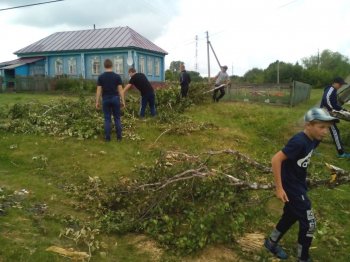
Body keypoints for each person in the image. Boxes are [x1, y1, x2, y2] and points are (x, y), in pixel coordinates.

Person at [264, 108, 339, 262]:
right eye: (321, 127)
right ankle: (303, 258)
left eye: (328, 128)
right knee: (309, 223)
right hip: (291, 187)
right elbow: (276, 159)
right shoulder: (298, 141)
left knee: (291, 215)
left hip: (299, 184)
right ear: (308, 125)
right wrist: (279, 188)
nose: (325, 132)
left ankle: (271, 243)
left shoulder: (315, 140)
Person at [320, 76, 350, 158]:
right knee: (335, 132)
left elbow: (334, 104)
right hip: (326, 113)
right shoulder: (331, 89)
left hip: (326, 112)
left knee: (320, 130)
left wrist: (343, 109)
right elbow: (326, 100)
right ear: (335, 83)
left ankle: (309, 147)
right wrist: (332, 109)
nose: (341, 86)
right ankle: (341, 153)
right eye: (340, 84)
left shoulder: (333, 90)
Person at [95, 58, 125, 141]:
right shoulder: (117, 76)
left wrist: (97, 102)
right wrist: (123, 101)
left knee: (107, 119)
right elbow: (120, 90)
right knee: (117, 118)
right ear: (112, 65)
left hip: (105, 99)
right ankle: (119, 138)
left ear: (104, 66)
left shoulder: (101, 77)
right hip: (115, 99)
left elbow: (98, 90)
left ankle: (107, 138)